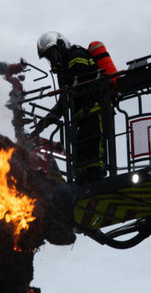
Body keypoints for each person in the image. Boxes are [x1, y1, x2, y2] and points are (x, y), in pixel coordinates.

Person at [34, 31, 105, 184]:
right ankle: (83, 178)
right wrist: (43, 123)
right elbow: (64, 100)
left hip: (95, 110)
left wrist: (58, 110)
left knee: (93, 148)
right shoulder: (64, 68)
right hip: (82, 117)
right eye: (48, 58)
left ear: (60, 46)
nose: (52, 60)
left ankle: (94, 176)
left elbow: (79, 85)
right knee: (81, 150)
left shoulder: (76, 56)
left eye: (52, 55)